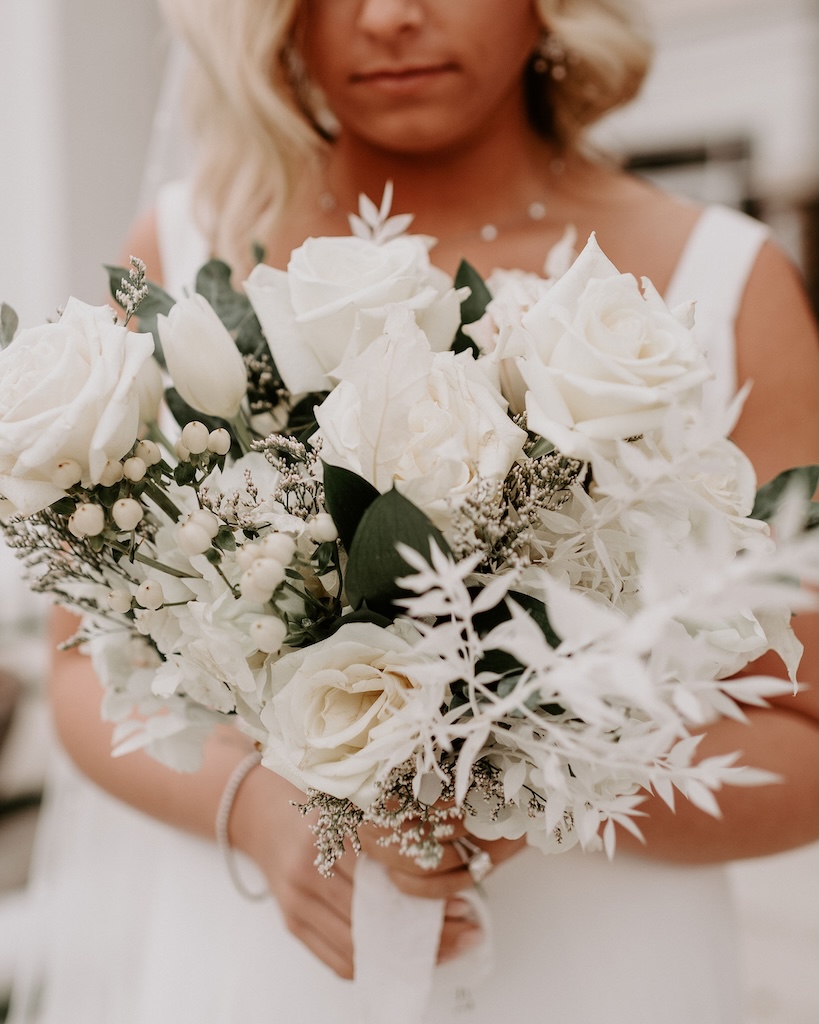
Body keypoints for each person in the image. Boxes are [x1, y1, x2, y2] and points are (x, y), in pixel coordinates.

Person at [11, 1, 818, 1021]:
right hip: (273, 953)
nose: (391, 16)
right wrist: (259, 811)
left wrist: (535, 782)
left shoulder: (727, 280)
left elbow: (805, 732)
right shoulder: (185, 249)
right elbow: (83, 666)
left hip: (602, 964)